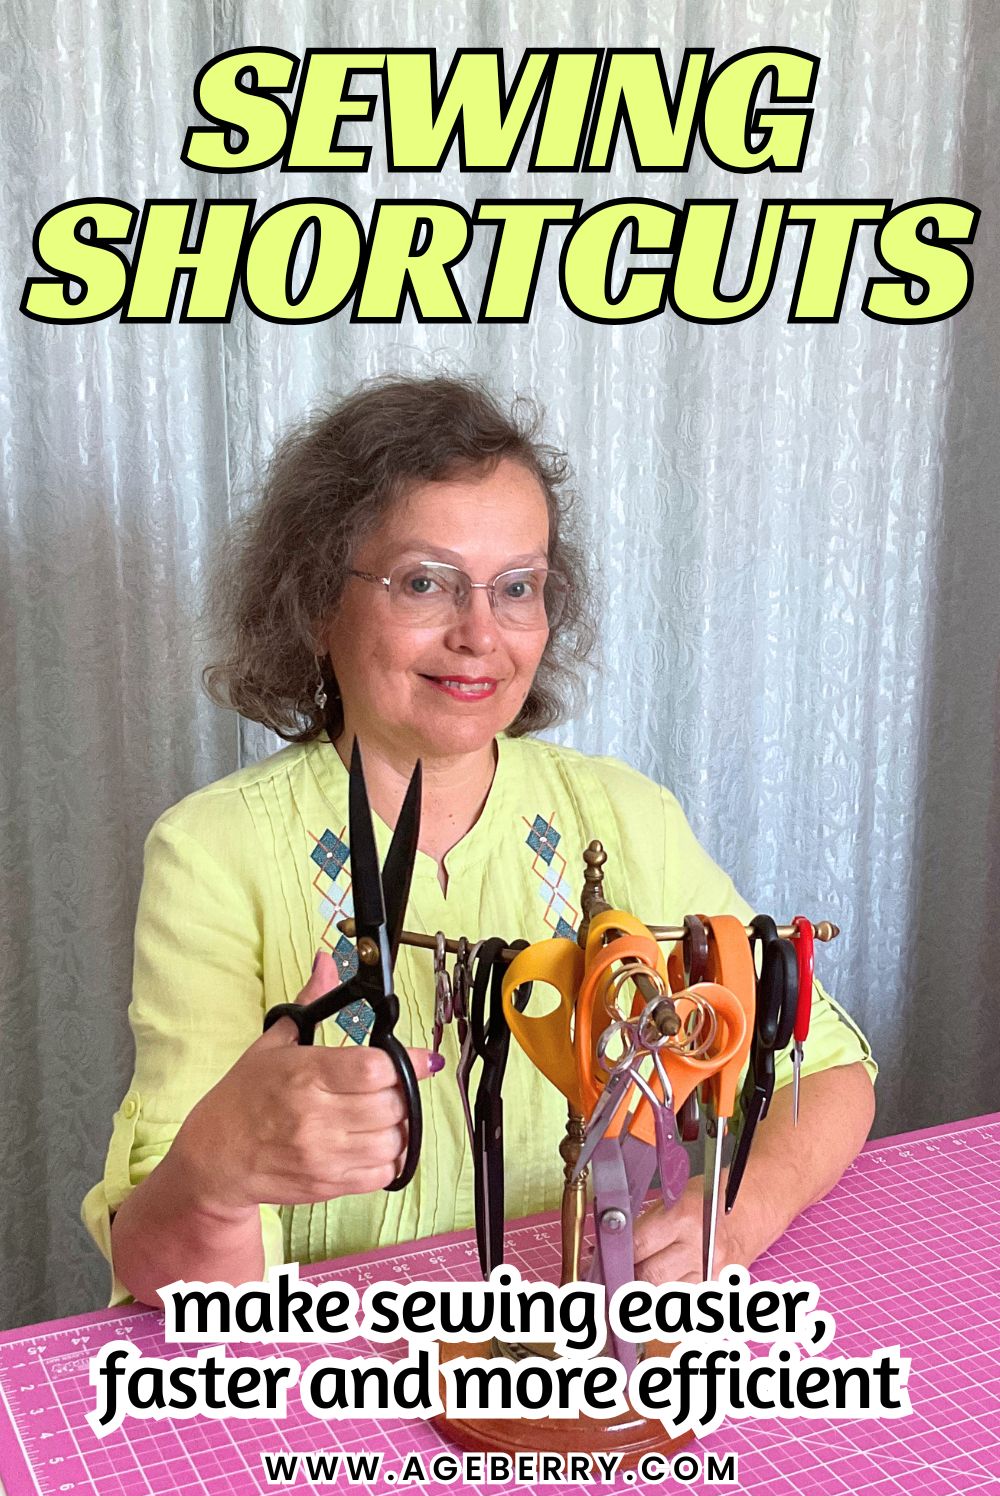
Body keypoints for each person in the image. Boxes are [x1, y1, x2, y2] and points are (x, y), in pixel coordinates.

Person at [83, 375, 876, 1308]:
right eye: (425, 582)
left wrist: (731, 1218)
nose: (480, 634)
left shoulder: (626, 818)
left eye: (518, 588)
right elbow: (172, 1282)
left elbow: (828, 1071)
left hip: (581, 1337)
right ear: (317, 602)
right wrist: (216, 1171)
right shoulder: (212, 853)